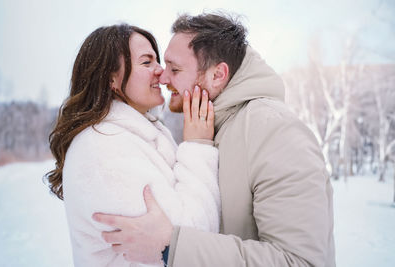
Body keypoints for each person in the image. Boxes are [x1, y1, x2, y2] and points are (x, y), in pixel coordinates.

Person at [93, 13, 336, 267]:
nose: (163, 78)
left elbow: (300, 261)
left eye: (175, 69)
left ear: (218, 75)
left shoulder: (275, 131)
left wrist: (171, 246)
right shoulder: (207, 127)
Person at [45, 24, 221, 267]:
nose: (161, 71)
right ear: (111, 78)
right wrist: (198, 146)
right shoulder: (102, 149)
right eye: (147, 62)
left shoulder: (137, 134)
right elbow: (192, 239)